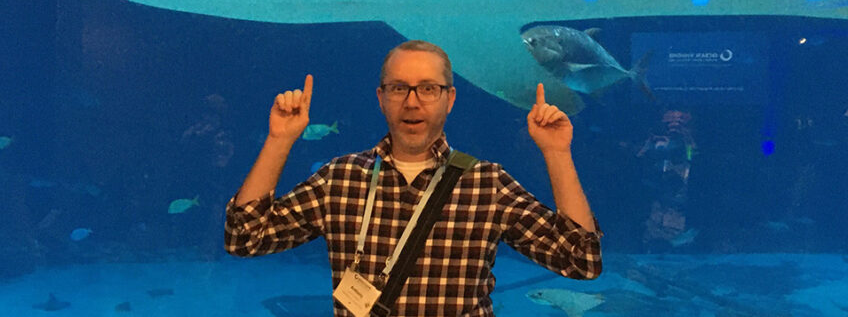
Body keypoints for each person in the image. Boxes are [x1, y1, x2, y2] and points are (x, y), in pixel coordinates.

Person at [224, 40, 601, 316]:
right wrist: (279, 140)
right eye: (399, 88)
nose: (412, 101)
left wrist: (556, 153)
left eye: (428, 88)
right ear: (381, 97)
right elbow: (245, 238)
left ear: (449, 99)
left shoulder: (486, 184)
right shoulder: (339, 179)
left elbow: (580, 260)